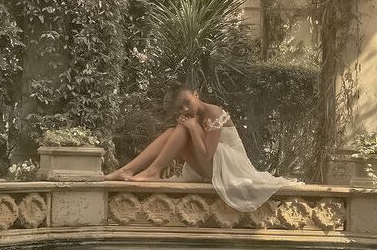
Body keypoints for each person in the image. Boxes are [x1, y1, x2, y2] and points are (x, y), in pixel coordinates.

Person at [105, 84, 300, 211]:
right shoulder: (194, 117)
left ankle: (152, 171)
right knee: (174, 132)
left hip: (228, 168)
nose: (185, 110)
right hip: (211, 165)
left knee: (182, 129)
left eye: (187, 102)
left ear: (196, 94)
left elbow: (207, 156)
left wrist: (191, 128)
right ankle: (129, 169)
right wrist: (190, 127)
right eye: (180, 108)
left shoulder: (215, 112)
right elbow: (188, 150)